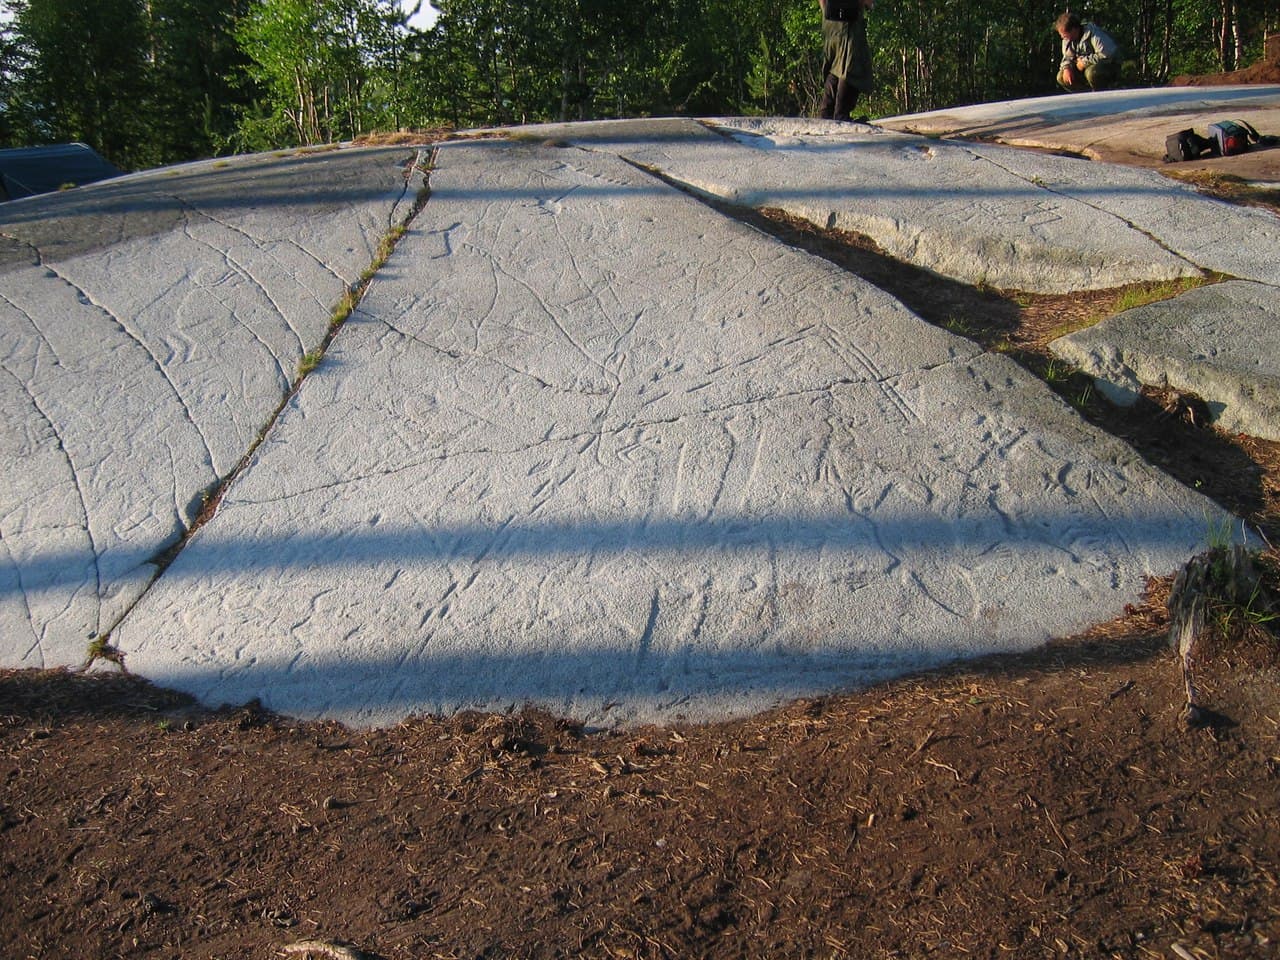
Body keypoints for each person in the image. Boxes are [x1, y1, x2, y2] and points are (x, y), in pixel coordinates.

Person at [818, 0, 875, 121]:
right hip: (849, 24)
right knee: (852, 68)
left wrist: (826, 12)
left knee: (835, 66)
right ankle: (841, 114)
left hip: (831, 24)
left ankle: (826, 112)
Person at [1055, 12, 1120, 92]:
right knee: (1061, 77)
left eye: (1064, 34)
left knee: (1091, 73)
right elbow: (1067, 57)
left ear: (1074, 29)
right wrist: (1066, 68)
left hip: (1107, 66)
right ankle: (1085, 95)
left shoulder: (1094, 33)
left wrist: (1084, 62)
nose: (1062, 37)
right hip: (1083, 69)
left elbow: (1107, 54)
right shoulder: (1067, 40)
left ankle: (1103, 93)